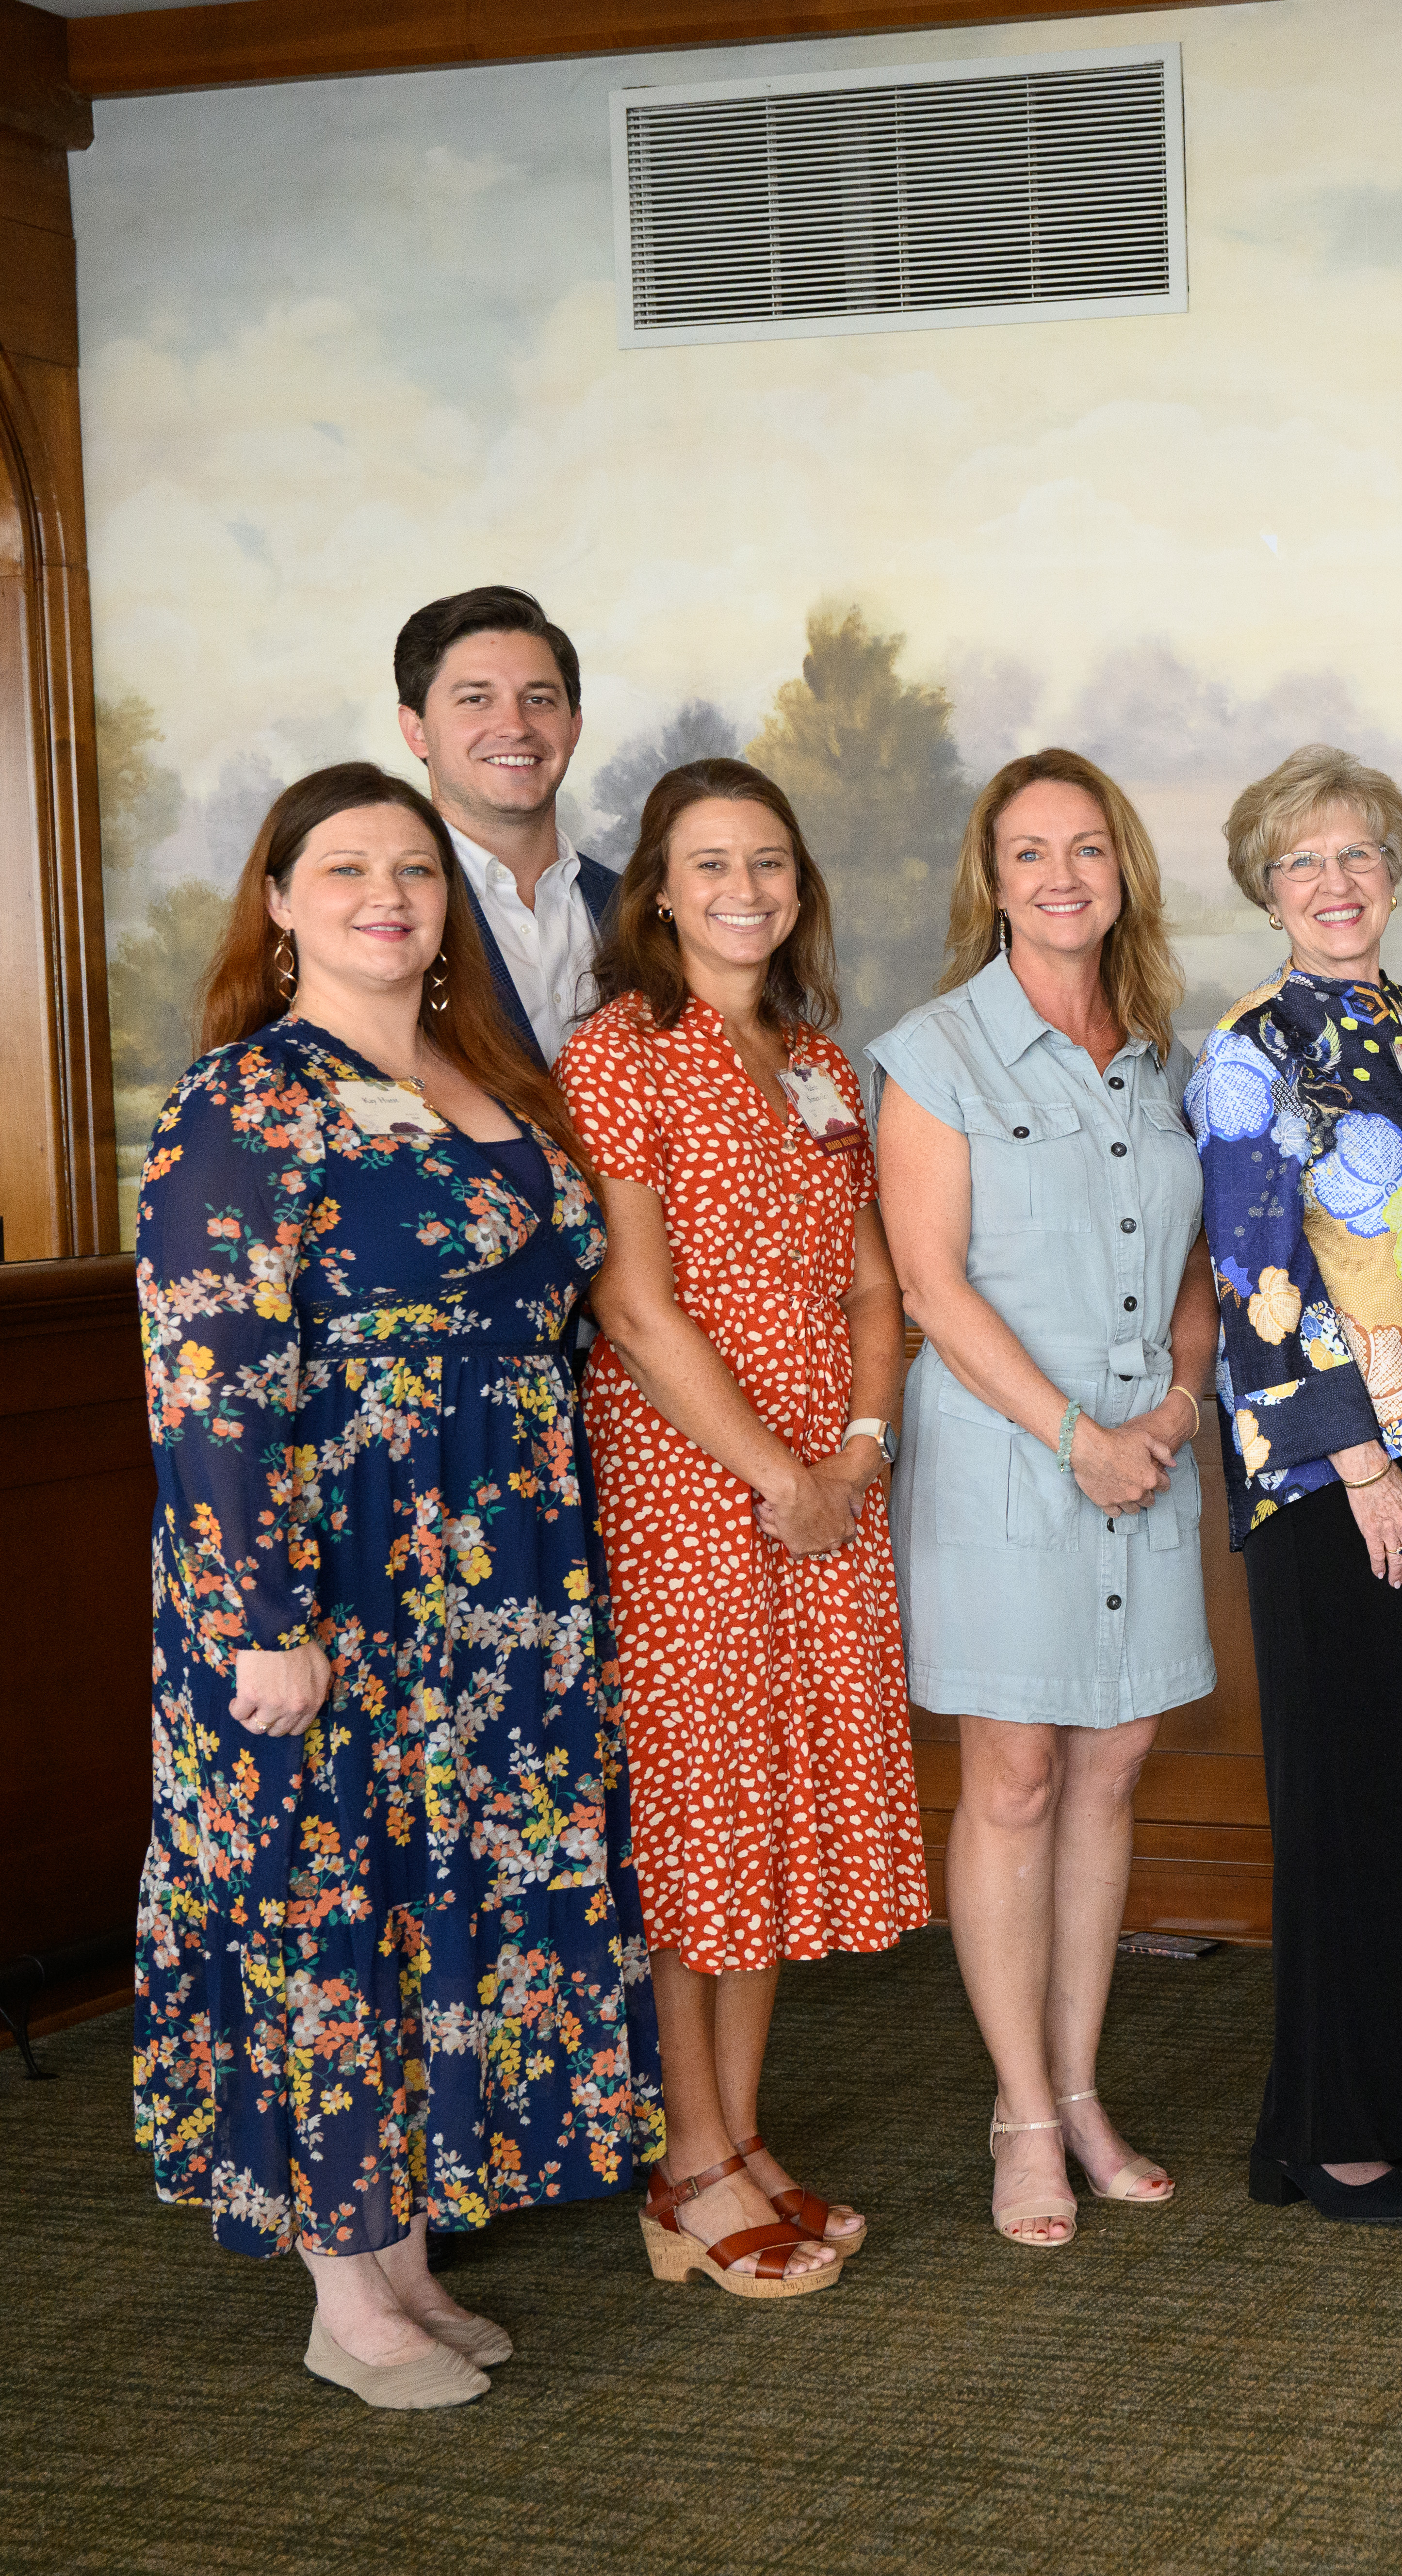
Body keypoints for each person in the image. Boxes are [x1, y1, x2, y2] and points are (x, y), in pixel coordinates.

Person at [132, 763, 658, 2407]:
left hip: (502, 1570)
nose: (388, 895)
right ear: (278, 901)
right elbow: (205, 1383)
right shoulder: (242, 1106)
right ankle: (337, 2293)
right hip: (331, 1572)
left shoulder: (480, 1070)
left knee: (451, 1905)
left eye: (415, 870)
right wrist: (258, 1623)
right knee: (323, 1903)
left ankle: (406, 2254)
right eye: (346, 868)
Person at [567, 758, 929, 2298]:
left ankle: (736, 2135)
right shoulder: (616, 1056)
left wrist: (850, 1448)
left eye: (768, 862)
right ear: (657, 890)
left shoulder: (821, 1062)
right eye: (708, 864)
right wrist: (771, 1476)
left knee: (773, 1805)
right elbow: (635, 1307)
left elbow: (870, 1285)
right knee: (703, 1810)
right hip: (687, 1483)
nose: (743, 890)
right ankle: (691, 2159)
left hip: (829, 1483)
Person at [871, 749, 1218, 2246]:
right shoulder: (933, 1052)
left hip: (1151, 1452)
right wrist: (1078, 1435)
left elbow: (1201, 1268)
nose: (1062, 874)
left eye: (1089, 846)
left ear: (1122, 868)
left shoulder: (1160, 1053)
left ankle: (1081, 2091)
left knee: (1112, 1768)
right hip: (1011, 1457)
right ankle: (1019, 2113)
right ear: (990, 879)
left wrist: (1181, 1406)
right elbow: (930, 1286)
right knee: (1012, 1776)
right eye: (1029, 852)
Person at [1187, 745, 1402, 2228]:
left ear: (1393, 873)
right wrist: (1361, 1462)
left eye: (1359, 857)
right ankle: (1327, 2137)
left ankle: (1393, 2092)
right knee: (1342, 1798)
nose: (1336, 884)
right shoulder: (1250, 1050)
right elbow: (1256, 1277)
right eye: (1303, 864)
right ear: (1267, 891)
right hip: (1336, 1474)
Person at [392, 586, 619, 1062]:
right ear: (416, 731)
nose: (515, 726)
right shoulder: (376, 913)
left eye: (538, 699)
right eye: (476, 699)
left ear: (573, 727)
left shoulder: (642, 912)